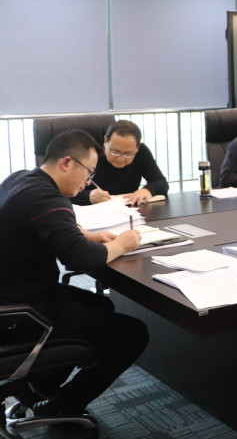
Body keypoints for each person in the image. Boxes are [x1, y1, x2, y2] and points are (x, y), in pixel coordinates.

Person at [0, 129, 148, 418]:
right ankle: (60, 408)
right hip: (22, 315)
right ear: (67, 162)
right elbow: (79, 258)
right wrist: (122, 244)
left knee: (101, 305)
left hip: (12, 295)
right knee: (134, 334)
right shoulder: (49, 199)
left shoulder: (20, 179)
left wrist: (87, 235)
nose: (88, 182)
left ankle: (39, 387)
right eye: (89, 172)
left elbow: (43, 225)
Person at [71, 120, 169, 206]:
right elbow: (66, 192)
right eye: (115, 152)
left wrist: (147, 190)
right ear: (106, 141)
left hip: (128, 210)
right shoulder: (90, 155)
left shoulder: (141, 153)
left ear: (137, 148)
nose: (121, 159)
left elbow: (161, 182)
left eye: (128, 154)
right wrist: (88, 196)